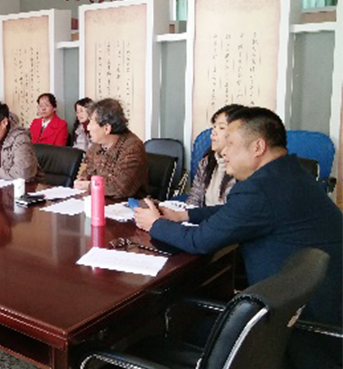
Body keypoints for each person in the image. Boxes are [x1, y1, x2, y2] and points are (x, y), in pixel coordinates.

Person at [134, 107, 342, 368]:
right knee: (196, 325)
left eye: (230, 143)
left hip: (300, 332)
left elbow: (199, 241)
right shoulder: (288, 173)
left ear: (258, 147)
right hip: (310, 308)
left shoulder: (260, 188)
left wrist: (155, 224)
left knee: (172, 331)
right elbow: (234, 212)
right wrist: (184, 215)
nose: (223, 151)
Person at [74, 98, 148, 199]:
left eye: (91, 122)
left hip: (126, 205)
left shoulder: (132, 148)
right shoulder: (97, 144)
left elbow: (119, 188)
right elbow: (87, 170)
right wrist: (82, 179)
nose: (88, 127)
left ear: (106, 128)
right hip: (98, 200)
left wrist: (89, 185)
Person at [186, 104, 244, 207]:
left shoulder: (244, 168)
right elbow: (195, 197)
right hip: (202, 215)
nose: (213, 132)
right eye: (214, 126)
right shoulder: (208, 160)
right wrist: (186, 213)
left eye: (221, 128)